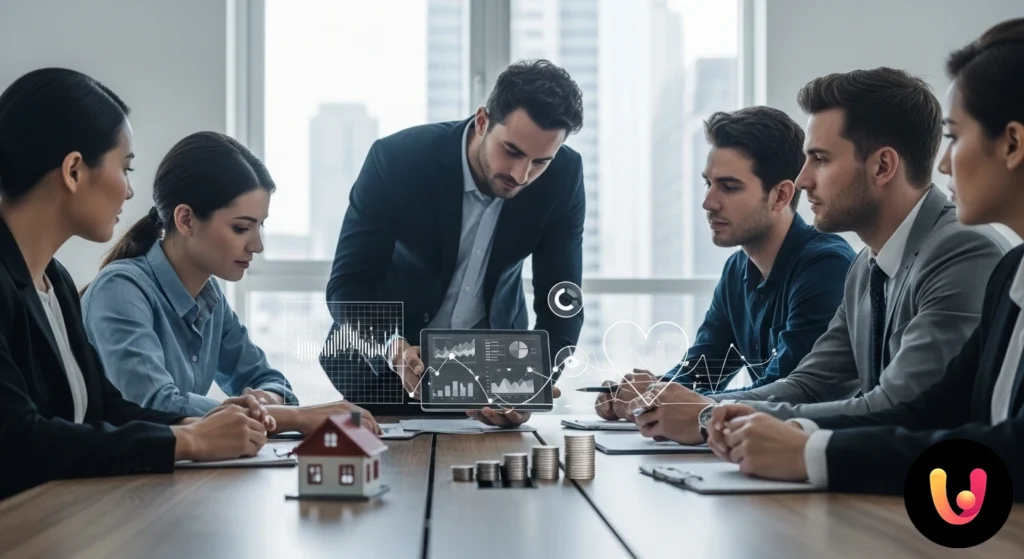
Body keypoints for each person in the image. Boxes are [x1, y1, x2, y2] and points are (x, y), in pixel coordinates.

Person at [701, 18, 1024, 501]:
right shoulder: (877, 267)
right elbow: (919, 408)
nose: (804, 179)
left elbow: (925, 412)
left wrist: (802, 447)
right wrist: (731, 415)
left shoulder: (965, 250)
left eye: (954, 137)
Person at [629, 67, 1011, 444]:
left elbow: (900, 405)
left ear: (882, 166)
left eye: (821, 159)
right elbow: (809, 385)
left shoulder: (960, 250)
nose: (802, 179)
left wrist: (707, 416)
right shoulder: (865, 267)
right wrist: (699, 410)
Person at [0, 68, 271, 500]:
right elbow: (17, 441)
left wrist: (196, 426)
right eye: (125, 169)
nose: (129, 192)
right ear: (73, 171)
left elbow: (105, 408)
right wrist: (192, 440)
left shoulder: (56, 281)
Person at [324, 59, 584, 427]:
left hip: (492, 383)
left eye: (540, 161)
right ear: (482, 121)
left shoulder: (564, 177)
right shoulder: (398, 159)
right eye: (511, 151)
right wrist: (390, 346)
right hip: (380, 377)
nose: (521, 175)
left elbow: (563, 299)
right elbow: (348, 283)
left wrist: (539, 380)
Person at [82, 131, 380, 436]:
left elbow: (269, 378)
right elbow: (153, 407)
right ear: (185, 220)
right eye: (241, 228)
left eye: (260, 226)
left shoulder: (209, 299)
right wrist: (293, 417)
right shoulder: (120, 290)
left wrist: (265, 402)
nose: (258, 245)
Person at [595, 106, 855, 421]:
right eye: (709, 184)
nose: (709, 202)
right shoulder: (737, 269)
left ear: (781, 195)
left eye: (729, 187)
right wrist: (648, 395)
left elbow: (784, 391)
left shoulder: (826, 267)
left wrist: (668, 402)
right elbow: (702, 370)